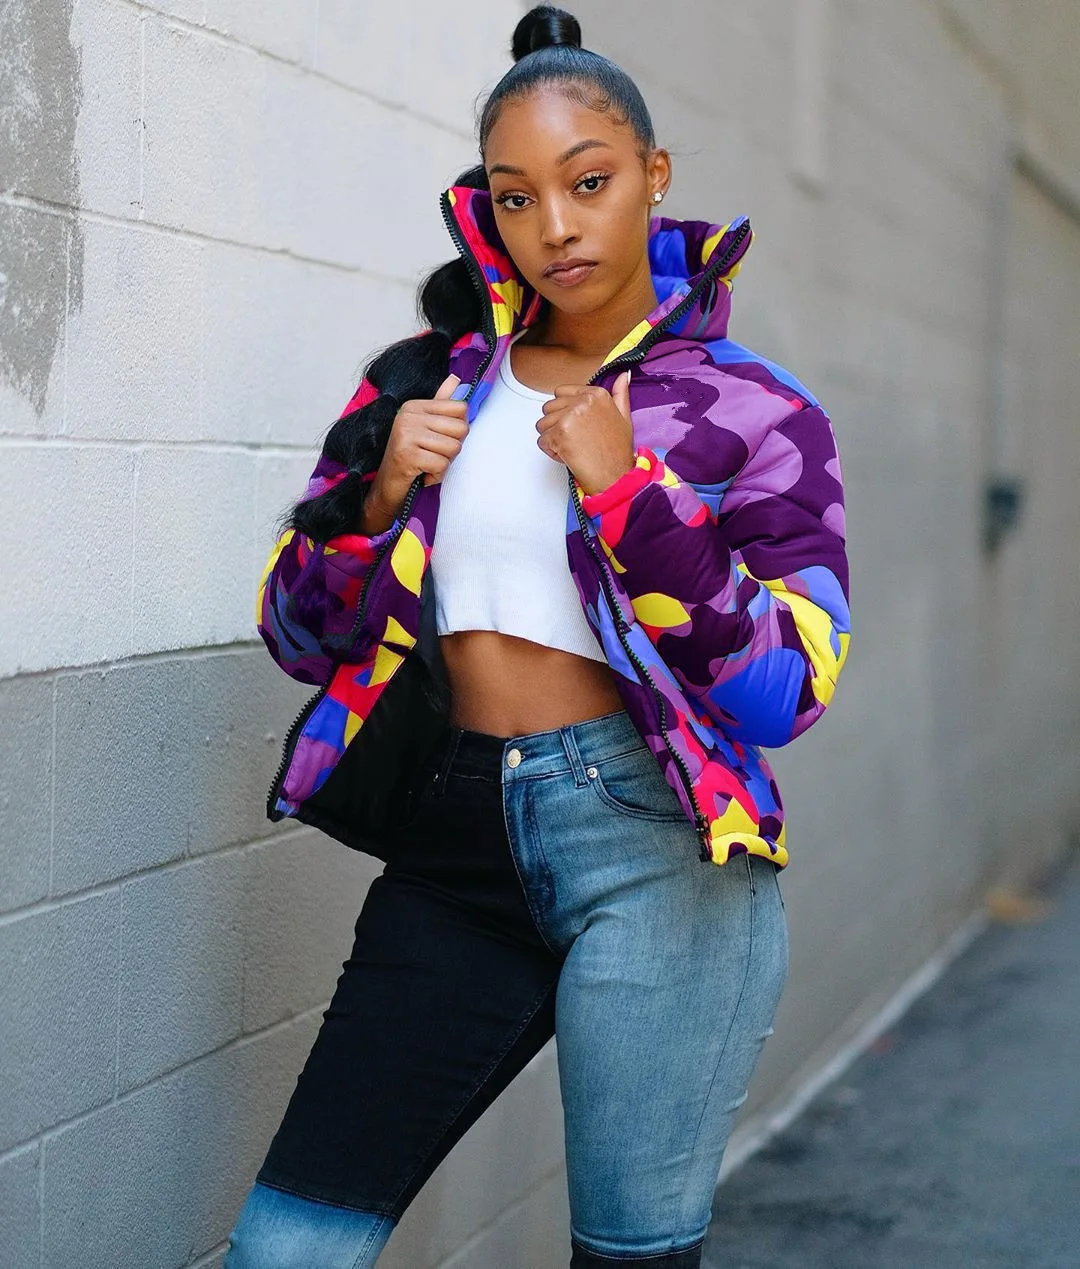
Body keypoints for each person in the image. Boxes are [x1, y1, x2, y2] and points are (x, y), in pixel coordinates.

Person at [225, 5, 851, 1266]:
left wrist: (632, 496)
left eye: (588, 182)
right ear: (489, 214)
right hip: (455, 841)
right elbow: (295, 634)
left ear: (653, 175)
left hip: (660, 853)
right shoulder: (426, 383)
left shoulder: (756, 411)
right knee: (285, 1249)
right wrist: (376, 502)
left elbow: (786, 692)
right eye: (516, 198)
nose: (555, 225)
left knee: (627, 1256)